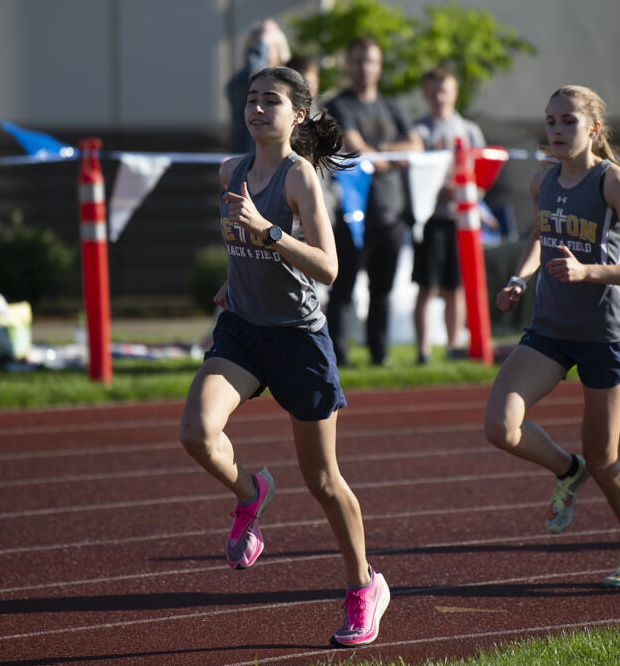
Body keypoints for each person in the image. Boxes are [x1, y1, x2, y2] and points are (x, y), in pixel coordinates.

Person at [178, 66, 390, 645]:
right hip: (242, 330)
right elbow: (238, 245)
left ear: (297, 115)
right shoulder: (231, 170)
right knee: (197, 432)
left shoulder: (299, 177)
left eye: (270, 100)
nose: (256, 109)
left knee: (323, 479)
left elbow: (328, 266)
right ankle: (251, 493)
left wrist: (268, 232)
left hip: (298, 339)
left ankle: (363, 587)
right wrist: (234, 281)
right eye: (250, 99)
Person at [484, 84, 620, 588]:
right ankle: (567, 469)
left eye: (568, 121)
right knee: (500, 426)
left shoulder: (614, 183)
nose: (557, 131)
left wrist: (589, 274)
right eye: (551, 121)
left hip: (604, 335)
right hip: (550, 329)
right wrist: (521, 278)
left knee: (606, 458)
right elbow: (542, 236)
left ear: (593, 129)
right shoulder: (544, 181)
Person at [324, 37, 423, 366]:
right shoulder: (340, 106)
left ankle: (379, 354)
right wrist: (390, 155)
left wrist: (382, 153)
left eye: (371, 61)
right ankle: (339, 355)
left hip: (391, 213)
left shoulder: (392, 107)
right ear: (349, 65)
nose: (365, 67)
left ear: (379, 66)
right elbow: (359, 151)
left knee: (383, 291)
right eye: (359, 61)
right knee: (344, 290)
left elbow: (416, 146)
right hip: (351, 214)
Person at [411, 66, 486, 364]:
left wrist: (464, 191)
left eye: (444, 91)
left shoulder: (469, 131)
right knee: (426, 285)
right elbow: (418, 175)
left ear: (454, 93)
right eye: (433, 92)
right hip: (430, 220)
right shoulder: (421, 131)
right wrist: (442, 186)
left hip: (462, 221)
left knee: (456, 286)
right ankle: (423, 350)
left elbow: (481, 176)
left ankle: (454, 344)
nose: (439, 98)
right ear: (426, 96)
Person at [225, 19, 291, 154]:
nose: (257, 51)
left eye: (265, 46)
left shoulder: (291, 83)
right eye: (254, 47)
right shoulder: (240, 82)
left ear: (280, 50)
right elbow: (253, 73)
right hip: (248, 163)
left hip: (284, 162)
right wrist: (264, 39)